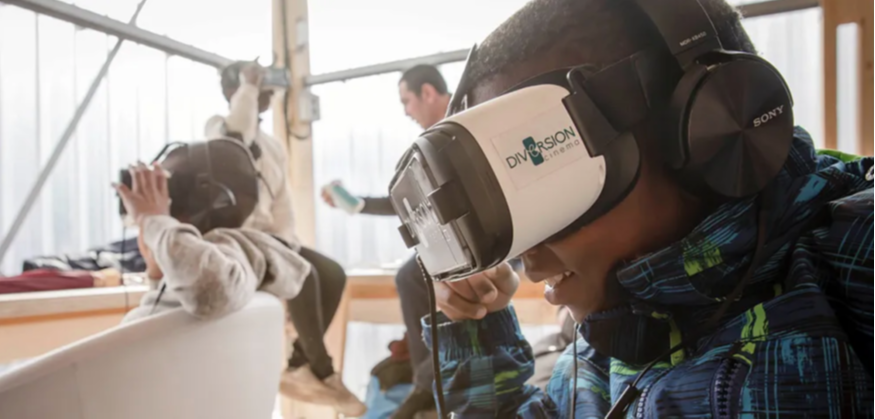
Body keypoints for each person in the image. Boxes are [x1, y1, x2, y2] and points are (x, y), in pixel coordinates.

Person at [426, 0, 874, 417]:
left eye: (549, 184)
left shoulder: (854, 258)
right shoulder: (611, 343)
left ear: (706, 127)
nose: (529, 259)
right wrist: (481, 325)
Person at [116, 139, 366, 417]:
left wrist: (152, 219)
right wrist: (156, 272)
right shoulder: (221, 266)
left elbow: (208, 290)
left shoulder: (225, 253)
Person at [322, 64, 452, 418]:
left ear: (428, 93)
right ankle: (428, 379)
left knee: (412, 276)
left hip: (494, 238)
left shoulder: (458, 127)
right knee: (413, 274)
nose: (406, 111)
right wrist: (357, 204)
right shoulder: (434, 140)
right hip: (459, 239)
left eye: (406, 101)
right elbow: (409, 203)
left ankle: (428, 385)